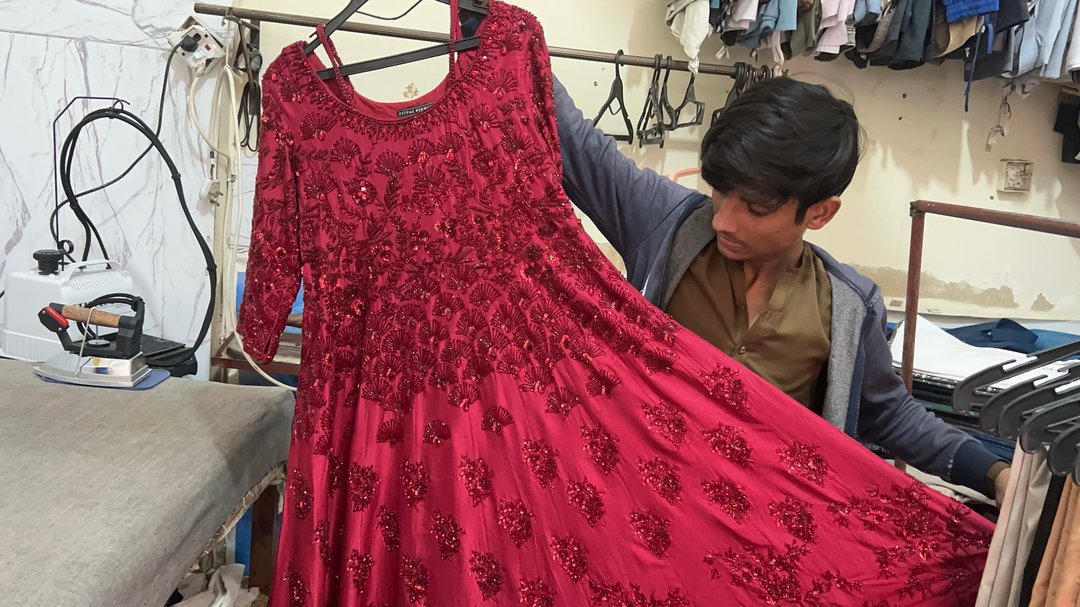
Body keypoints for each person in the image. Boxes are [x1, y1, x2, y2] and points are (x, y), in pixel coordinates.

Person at [552, 74, 1011, 503]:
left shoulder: (847, 307)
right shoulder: (667, 225)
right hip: (640, 498)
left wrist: (995, 475)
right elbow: (573, 140)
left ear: (820, 213)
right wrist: (515, 36)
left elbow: (889, 414)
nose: (723, 220)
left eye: (754, 208)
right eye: (720, 191)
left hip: (759, 523)